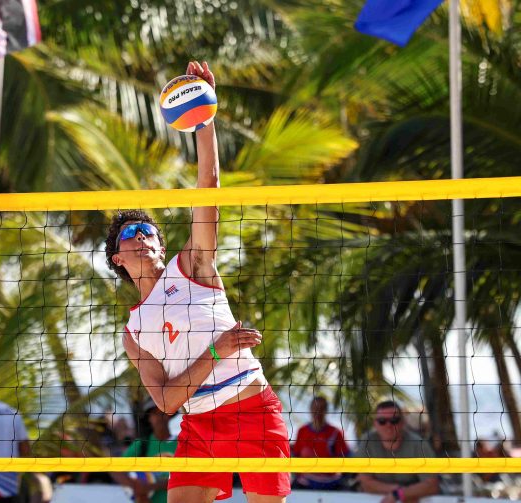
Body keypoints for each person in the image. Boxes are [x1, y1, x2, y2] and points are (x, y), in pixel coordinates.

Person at [106, 61, 290, 503]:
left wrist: (204, 120)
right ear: (118, 258)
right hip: (199, 426)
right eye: (133, 233)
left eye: (149, 231)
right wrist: (217, 350)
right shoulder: (134, 333)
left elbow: (208, 184)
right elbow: (168, 402)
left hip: (252, 411)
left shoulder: (191, 266)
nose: (144, 236)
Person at [356, 401, 439, 502]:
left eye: (394, 420)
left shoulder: (419, 445)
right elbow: (365, 483)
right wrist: (397, 491)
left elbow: (432, 486)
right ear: (375, 424)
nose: (388, 425)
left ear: (402, 422)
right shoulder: (367, 442)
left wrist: (398, 494)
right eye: (382, 421)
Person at [112, 399, 177, 503]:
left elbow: (187, 478)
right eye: (155, 413)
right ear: (149, 418)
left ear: (169, 415)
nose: (159, 417)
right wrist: (135, 485)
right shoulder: (142, 444)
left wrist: (152, 486)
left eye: (162, 412)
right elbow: (115, 469)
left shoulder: (182, 442)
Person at [291, 396, 351, 490]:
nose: (317, 412)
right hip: (306, 481)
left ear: (326, 411)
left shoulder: (335, 432)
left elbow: (346, 458)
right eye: (315, 409)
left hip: (331, 482)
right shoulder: (302, 431)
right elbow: (295, 456)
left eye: (321, 409)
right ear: (310, 410)